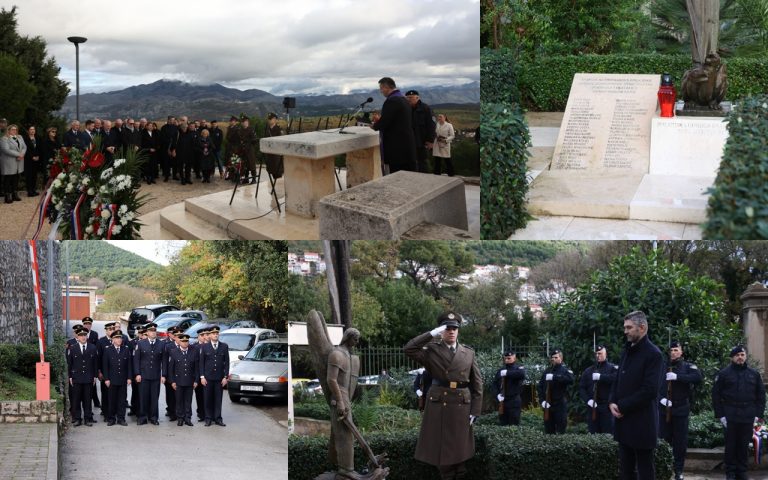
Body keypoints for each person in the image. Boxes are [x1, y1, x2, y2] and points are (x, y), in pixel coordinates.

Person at [404, 312, 482, 480]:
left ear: (458, 331)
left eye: (455, 328)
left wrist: (475, 410)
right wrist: (431, 334)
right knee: (443, 447)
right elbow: (409, 348)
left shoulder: (468, 352)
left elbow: (477, 383)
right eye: (447, 328)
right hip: (440, 403)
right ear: (441, 330)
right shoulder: (431, 350)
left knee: (460, 446)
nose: (451, 331)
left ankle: (459, 475)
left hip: (462, 403)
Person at [609, 311, 664, 480]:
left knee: (645, 470)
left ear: (642, 327)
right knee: (625, 470)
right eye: (625, 327)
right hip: (623, 421)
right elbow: (617, 379)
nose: (625, 331)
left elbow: (650, 390)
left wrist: (623, 406)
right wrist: (612, 401)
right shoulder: (627, 350)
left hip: (642, 422)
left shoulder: (654, 354)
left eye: (629, 327)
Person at [713, 345, 766, 480]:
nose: (740, 357)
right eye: (737, 355)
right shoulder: (724, 374)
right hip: (730, 414)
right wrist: (721, 415)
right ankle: (730, 472)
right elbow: (716, 395)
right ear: (732, 358)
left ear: (745, 356)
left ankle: (742, 471)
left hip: (748, 415)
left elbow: (761, 396)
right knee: (730, 445)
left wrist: (758, 415)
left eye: (742, 355)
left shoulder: (754, 374)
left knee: (743, 445)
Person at [658, 341, 702, 480]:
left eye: (676, 350)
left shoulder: (688, 366)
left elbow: (697, 378)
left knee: (680, 442)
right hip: (664, 409)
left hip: (681, 408)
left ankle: (678, 471)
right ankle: (664, 468)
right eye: (671, 350)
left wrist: (678, 377)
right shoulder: (662, 366)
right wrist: (661, 399)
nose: (673, 352)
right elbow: (652, 384)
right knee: (663, 440)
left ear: (681, 352)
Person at [371, 77, 417, 173]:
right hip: (406, 143)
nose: (381, 91)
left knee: (398, 176)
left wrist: (374, 125)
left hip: (397, 146)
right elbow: (397, 119)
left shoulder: (392, 100)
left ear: (386, 87)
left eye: (381, 88)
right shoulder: (403, 99)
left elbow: (385, 122)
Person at [579, 345, 618, 434]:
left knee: (608, 434)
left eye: (600, 353)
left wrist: (602, 377)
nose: (598, 355)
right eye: (596, 353)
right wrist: (588, 400)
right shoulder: (588, 371)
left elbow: (616, 378)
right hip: (592, 407)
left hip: (607, 407)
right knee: (593, 434)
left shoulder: (612, 368)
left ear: (605, 354)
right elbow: (582, 387)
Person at [133, 322, 164, 425]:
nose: (153, 333)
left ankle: (154, 417)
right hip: (144, 375)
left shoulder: (161, 344)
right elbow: (136, 360)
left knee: (154, 397)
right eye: (151, 331)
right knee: (143, 397)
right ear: (147, 332)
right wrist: (137, 374)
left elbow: (163, 361)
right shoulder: (141, 343)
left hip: (155, 375)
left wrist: (163, 375)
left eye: (154, 331)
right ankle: (142, 417)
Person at [537, 349, 575, 434]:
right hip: (548, 404)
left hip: (560, 405)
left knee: (561, 430)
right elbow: (540, 386)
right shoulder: (547, 371)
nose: (553, 359)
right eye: (552, 357)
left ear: (561, 358)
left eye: (556, 357)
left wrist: (555, 377)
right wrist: (542, 401)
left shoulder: (565, 370)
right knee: (548, 430)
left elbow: (571, 380)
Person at [199, 325, 229, 426]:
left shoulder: (224, 346)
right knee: (207, 399)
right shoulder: (204, 347)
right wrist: (202, 377)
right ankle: (208, 418)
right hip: (208, 378)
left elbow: (227, 363)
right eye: (213, 333)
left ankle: (218, 418)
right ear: (210, 335)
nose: (215, 335)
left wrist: (225, 377)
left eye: (217, 333)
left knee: (218, 399)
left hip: (219, 378)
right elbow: (201, 363)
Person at [102, 329, 132, 426]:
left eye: (120, 338)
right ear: (113, 339)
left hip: (123, 379)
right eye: (117, 338)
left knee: (122, 400)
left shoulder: (126, 349)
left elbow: (129, 365)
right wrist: (106, 379)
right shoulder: (108, 350)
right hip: (112, 379)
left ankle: (121, 418)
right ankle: (111, 418)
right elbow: (105, 366)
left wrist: (129, 378)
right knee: (112, 400)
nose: (119, 340)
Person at [68, 327, 98, 427]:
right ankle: (77, 419)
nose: (83, 337)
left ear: (87, 336)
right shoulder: (73, 348)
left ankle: (87, 418)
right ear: (77, 336)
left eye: (85, 335)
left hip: (88, 378)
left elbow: (95, 364)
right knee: (76, 399)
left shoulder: (92, 347)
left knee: (87, 399)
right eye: (81, 335)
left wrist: (94, 376)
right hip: (77, 377)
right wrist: (70, 376)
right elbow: (70, 364)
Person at [168, 333, 199, 426]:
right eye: (183, 341)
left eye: (186, 341)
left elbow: (197, 368)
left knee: (188, 401)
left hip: (190, 381)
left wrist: (196, 380)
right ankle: (180, 418)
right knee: (179, 400)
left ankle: (188, 418)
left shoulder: (193, 352)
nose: (185, 343)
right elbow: (171, 369)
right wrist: (172, 381)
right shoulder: (174, 352)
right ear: (179, 341)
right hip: (178, 381)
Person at [405, 90, 436, 173]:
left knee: (422, 162)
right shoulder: (406, 109)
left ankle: (424, 181)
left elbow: (431, 125)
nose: (409, 100)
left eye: (411, 98)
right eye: (407, 98)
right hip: (409, 141)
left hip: (422, 141)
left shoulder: (425, 108)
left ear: (417, 98)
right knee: (410, 162)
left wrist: (430, 140)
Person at [493, 351, 526, 426]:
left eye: (509, 358)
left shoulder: (518, 368)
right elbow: (494, 384)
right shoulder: (500, 370)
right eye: (505, 358)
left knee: (514, 424)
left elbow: (521, 374)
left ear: (514, 358)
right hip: (503, 401)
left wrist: (508, 373)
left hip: (514, 400)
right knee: (503, 423)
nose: (506, 360)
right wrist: (497, 395)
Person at [1, 124, 27, 204]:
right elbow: (6, 150)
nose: (14, 131)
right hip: (9, 162)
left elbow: (24, 147)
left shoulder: (20, 137)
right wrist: (18, 154)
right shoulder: (4, 139)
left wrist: (22, 154)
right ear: (8, 130)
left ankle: (14, 194)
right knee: (8, 179)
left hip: (19, 161)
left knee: (16, 178)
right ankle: (7, 196)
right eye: (12, 129)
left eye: (15, 129)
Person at [161, 326, 180, 421]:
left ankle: (180, 412)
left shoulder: (185, 344)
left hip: (180, 374)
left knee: (180, 394)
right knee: (171, 395)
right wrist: (164, 374)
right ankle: (172, 412)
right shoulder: (168, 345)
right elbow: (165, 361)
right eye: (176, 334)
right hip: (170, 374)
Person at [192, 325, 209, 422]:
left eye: (205, 335)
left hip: (207, 375)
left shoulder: (209, 345)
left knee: (207, 395)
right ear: (198, 336)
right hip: (197, 375)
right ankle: (201, 413)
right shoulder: (194, 347)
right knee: (199, 395)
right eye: (201, 335)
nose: (203, 336)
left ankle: (208, 413)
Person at [263, 113, 284, 179]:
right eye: (269, 119)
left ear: (275, 119)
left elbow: (280, 142)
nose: (269, 121)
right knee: (271, 171)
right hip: (269, 154)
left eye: (271, 119)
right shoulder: (267, 129)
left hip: (276, 154)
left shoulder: (278, 129)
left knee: (278, 173)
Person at [22, 125, 41, 197]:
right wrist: (32, 157)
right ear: (28, 131)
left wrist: (38, 156)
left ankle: (33, 190)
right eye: (31, 129)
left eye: (33, 129)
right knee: (29, 176)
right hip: (28, 160)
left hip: (36, 160)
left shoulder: (38, 138)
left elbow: (39, 148)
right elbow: (25, 149)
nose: (32, 131)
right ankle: (29, 191)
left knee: (34, 175)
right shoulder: (25, 139)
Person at [237, 117, 257, 184]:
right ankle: (246, 178)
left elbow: (254, 140)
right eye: (243, 122)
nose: (244, 123)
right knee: (245, 164)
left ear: (248, 122)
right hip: (243, 149)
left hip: (250, 149)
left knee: (251, 164)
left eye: (245, 121)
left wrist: (248, 143)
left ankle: (254, 179)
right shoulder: (241, 130)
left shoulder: (251, 129)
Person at [159, 116, 178, 182]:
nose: (172, 121)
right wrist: (168, 148)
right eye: (171, 120)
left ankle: (174, 176)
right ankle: (166, 176)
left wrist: (174, 149)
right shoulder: (164, 128)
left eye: (173, 120)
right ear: (168, 120)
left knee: (175, 163)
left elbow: (176, 138)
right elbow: (162, 138)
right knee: (166, 163)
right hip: (166, 148)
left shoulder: (176, 128)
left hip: (174, 148)